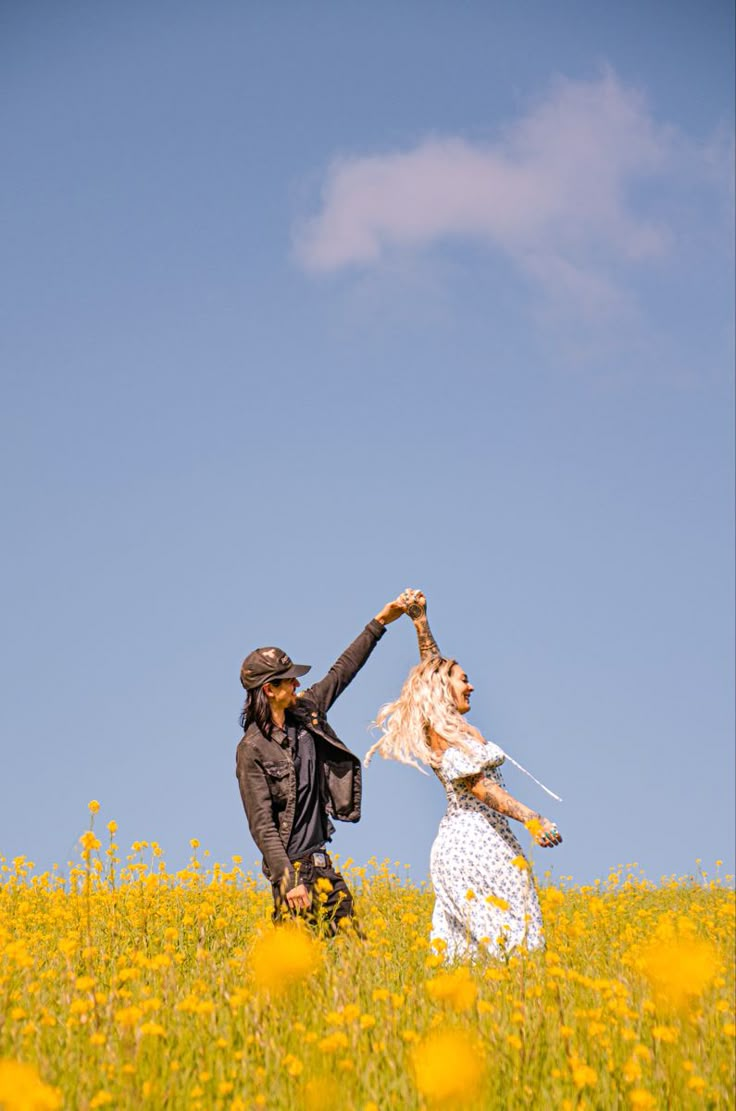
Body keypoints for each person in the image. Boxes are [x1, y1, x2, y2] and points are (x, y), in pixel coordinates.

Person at [365, 596, 562, 961]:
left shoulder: (453, 726)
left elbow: (434, 667)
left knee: (479, 950)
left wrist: (421, 623)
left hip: (487, 838)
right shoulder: (444, 732)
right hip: (472, 843)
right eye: (464, 681)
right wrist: (532, 819)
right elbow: (479, 787)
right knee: (511, 944)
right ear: (444, 689)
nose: (471, 687)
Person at [236, 590, 423, 934]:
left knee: (355, 960)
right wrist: (287, 880)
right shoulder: (252, 749)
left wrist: (381, 621)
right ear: (268, 690)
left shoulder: (307, 712)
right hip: (292, 876)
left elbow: (342, 672)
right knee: (299, 972)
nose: (297, 683)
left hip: (322, 865)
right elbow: (262, 824)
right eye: (289, 680)